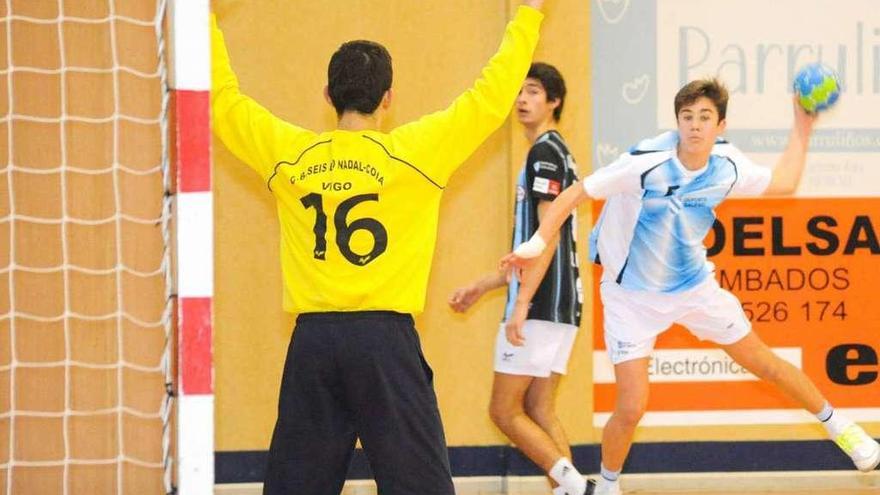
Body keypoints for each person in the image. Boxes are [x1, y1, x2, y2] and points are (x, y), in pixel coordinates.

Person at [210, 2, 547, 494]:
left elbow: (222, 100)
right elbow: (490, 99)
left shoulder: (289, 154)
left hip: (314, 345)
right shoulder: (415, 154)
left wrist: (200, 17)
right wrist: (530, 15)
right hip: (385, 344)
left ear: (327, 95)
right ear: (388, 98)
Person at [501, 78, 880, 495]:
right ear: (678, 122)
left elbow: (785, 182)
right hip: (630, 296)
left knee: (763, 362)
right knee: (631, 407)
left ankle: (843, 428)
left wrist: (802, 126)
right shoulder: (645, 162)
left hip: (693, 288)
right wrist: (536, 242)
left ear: (721, 126)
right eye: (687, 117)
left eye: (705, 118)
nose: (695, 126)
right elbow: (574, 193)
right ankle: (608, 485)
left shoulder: (728, 165)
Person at [449, 63, 593, 495]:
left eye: (533, 92)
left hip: (542, 304)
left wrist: (521, 304)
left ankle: (579, 487)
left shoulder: (544, 153)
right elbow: (534, 245)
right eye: (519, 92)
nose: (522, 100)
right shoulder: (557, 151)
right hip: (562, 305)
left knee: (504, 411)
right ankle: (570, 492)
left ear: (554, 102)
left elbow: (545, 239)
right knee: (540, 408)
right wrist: (484, 285)